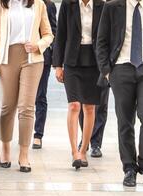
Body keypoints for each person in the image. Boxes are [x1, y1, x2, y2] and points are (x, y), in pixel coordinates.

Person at [97, 0, 143, 187]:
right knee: (125, 121)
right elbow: (102, 41)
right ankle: (129, 168)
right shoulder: (112, 7)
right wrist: (107, 71)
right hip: (121, 69)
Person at [0, 0, 54, 173]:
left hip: (32, 59)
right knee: (8, 107)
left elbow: (48, 34)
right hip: (7, 59)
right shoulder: (2, 5)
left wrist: (38, 45)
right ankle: (5, 148)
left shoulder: (38, 4)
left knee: (26, 107)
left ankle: (24, 154)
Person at [53, 0, 105, 170]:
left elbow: (107, 36)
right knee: (74, 105)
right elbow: (60, 34)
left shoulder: (102, 6)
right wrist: (58, 65)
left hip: (95, 62)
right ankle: (74, 151)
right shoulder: (68, 5)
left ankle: (83, 150)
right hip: (72, 61)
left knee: (89, 108)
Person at [32, 0, 57, 150]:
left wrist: (56, 58)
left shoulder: (48, 5)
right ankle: (24, 131)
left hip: (42, 57)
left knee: (40, 96)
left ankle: (38, 135)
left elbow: (53, 31)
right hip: (22, 56)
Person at [79, 87, 110, 158]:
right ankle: (85, 139)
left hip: (102, 75)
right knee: (83, 103)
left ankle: (96, 143)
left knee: (101, 104)